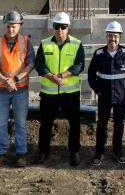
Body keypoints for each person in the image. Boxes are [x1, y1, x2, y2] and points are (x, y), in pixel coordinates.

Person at [34, 12, 85, 166]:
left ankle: (74, 151)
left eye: (63, 27)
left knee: (75, 123)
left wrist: (63, 75)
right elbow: (40, 65)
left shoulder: (77, 44)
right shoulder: (44, 44)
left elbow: (79, 65)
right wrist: (52, 77)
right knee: (45, 123)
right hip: (49, 93)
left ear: (68, 28)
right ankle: (43, 151)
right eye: (57, 26)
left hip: (70, 93)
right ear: (53, 27)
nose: (60, 30)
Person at [0, 10, 35, 168]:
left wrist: (15, 79)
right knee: (0, 123)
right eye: (8, 26)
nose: (11, 29)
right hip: (0, 89)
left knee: (20, 122)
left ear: (20, 25)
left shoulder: (26, 42)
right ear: (5, 25)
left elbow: (30, 64)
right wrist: (5, 80)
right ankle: (0, 153)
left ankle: (21, 154)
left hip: (20, 89)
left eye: (14, 26)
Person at [88, 21, 125, 165]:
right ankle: (99, 153)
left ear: (119, 36)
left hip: (121, 97)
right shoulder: (99, 54)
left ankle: (117, 152)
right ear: (106, 36)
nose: (113, 39)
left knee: (119, 125)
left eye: (115, 36)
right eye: (110, 35)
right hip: (104, 97)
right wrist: (97, 90)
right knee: (102, 125)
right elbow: (91, 75)